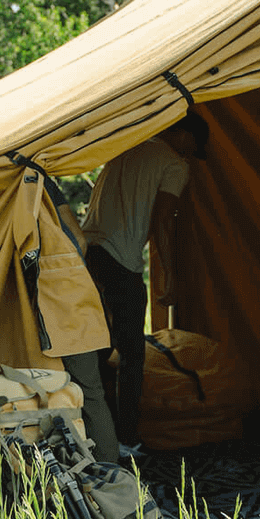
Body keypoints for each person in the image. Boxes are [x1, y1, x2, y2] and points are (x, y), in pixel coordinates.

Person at [81, 111, 209, 448]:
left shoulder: (128, 147)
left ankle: (86, 429)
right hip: (121, 259)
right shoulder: (174, 165)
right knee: (131, 354)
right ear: (183, 136)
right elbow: (163, 221)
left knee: (93, 347)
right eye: (192, 148)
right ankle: (124, 439)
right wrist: (170, 276)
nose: (189, 157)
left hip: (87, 251)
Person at [38, 173, 119, 463]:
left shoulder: (24, 176)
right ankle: (110, 475)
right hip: (71, 301)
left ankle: (103, 472)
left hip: (54, 303)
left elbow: (78, 240)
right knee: (89, 393)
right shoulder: (36, 177)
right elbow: (79, 240)